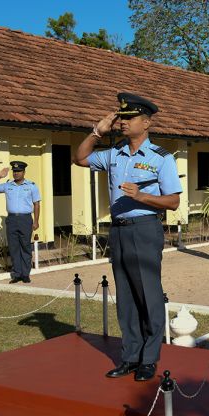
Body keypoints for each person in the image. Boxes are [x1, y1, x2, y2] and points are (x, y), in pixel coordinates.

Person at [73, 92, 182, 381]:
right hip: (118, 230)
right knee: (126, 297)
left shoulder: (161, 158)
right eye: (121, 117)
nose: (123, 122)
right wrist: (97, 131)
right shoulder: (114, 154)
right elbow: (79, 158)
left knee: (148, 294)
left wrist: (142, 196)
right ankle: (131, 356)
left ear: (146, 123)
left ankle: (149, 358)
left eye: (129, 118)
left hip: (145, 229)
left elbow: (173, 202)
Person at [0, 161, 41, 284]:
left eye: (19, 171)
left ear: (24, 172)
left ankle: (25, 274)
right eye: (14, 171)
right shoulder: (8, 185)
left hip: (25, 219)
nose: (16, 173)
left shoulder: (31, 186)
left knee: (25, 246)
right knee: (14, 247)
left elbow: (36, 204)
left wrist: (36, 221)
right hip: (11, 220)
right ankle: (16, 274)